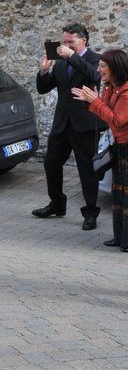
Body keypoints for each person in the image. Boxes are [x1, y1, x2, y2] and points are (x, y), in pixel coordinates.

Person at [33, 23, 103, 230]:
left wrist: (72, 56)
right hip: (62, 123)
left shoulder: (96, 59)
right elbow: (44, 88)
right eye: (64, 42)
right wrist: (43, 72)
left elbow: (95, 76)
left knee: (86, 170)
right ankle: (57, 203)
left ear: (84, 41)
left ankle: (90, 212)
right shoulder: (62, 63)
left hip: (85, 124)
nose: (65, 45)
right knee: (51, 164)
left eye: (70, 42)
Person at [72, 49, 128, 250]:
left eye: (103, 66)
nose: (99, 69)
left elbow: (117, 120)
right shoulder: (110, 86)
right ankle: (120, 237)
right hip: (119, 144)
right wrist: (93, 101)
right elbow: (106, 113)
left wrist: (94, 102)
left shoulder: (126, 91)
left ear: (115, 67)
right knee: (119, 192)